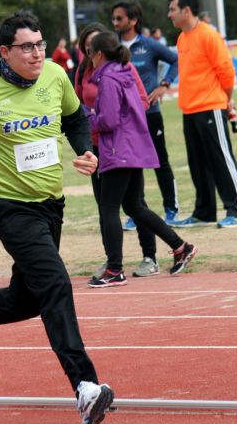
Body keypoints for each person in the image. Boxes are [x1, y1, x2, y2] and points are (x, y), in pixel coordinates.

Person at [0, 10, 114, 424]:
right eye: (26, 47)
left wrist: (86, 150)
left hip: (51, 203)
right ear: (5, 52)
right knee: (54, 282)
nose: (36, 53)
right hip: (8, 206)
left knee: (30, 297)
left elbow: (74, 118)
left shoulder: (54, 75)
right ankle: (85, 387)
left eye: (40, 44)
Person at [83, 31, 197, 287]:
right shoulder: (124, 72)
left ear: (99, 54)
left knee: (109, 207)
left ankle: (114, 269)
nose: (88, 58)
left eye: (90, 53)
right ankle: (181, 246)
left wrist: (88, 116)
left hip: (118, 150)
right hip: (134, 147)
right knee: (134, 206)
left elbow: (109, 121)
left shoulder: (109, 78)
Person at [75, 22, 161, 280]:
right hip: (97, 147)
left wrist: (115, 123)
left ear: (104, 49)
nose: (91, 52)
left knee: (133, 204)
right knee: (105, 207)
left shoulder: (120, 70)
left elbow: (142, 101)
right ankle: (112, 259)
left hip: (121, 146)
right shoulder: (83, 72)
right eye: (87, 47)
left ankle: (149, 256)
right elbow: (78, 106)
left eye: (95, 46)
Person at [167, 0, 237, 228]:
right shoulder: (182, 38)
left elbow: (226, 71)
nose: (168, 14)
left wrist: (226, 99)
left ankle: (236, 210)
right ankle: (204, 212)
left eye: (172, 9)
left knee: (221, 159)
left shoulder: (208, 35)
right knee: (197, 163)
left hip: (211, 106)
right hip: (189, 109)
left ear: (187, 10)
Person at [111, 0, 180, 238]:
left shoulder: (149, 45)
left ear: (133, 20)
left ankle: (171, 209)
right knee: (132, 168)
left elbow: (175, 60)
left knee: (161, 162)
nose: (115, 22)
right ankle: (135, 212)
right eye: (114, 19)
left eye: (119, 18)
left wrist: (164, 85)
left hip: (150, 115)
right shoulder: (112, 48)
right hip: (125, 122)